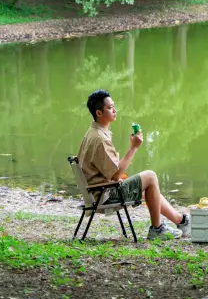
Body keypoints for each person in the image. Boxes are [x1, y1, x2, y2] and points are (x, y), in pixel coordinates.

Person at [77, 89, 190, 240]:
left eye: (114, 106)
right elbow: (116, 173)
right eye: (110, 108)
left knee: (148, 189)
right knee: (150, 176)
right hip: (104, 195)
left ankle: (180, 220)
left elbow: (107, 171)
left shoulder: (92, 132)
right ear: (99, 113)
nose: (115, 110)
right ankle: (157, 229)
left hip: (97, 191)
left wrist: (114, 178)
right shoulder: (100, 139)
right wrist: (134, 147)